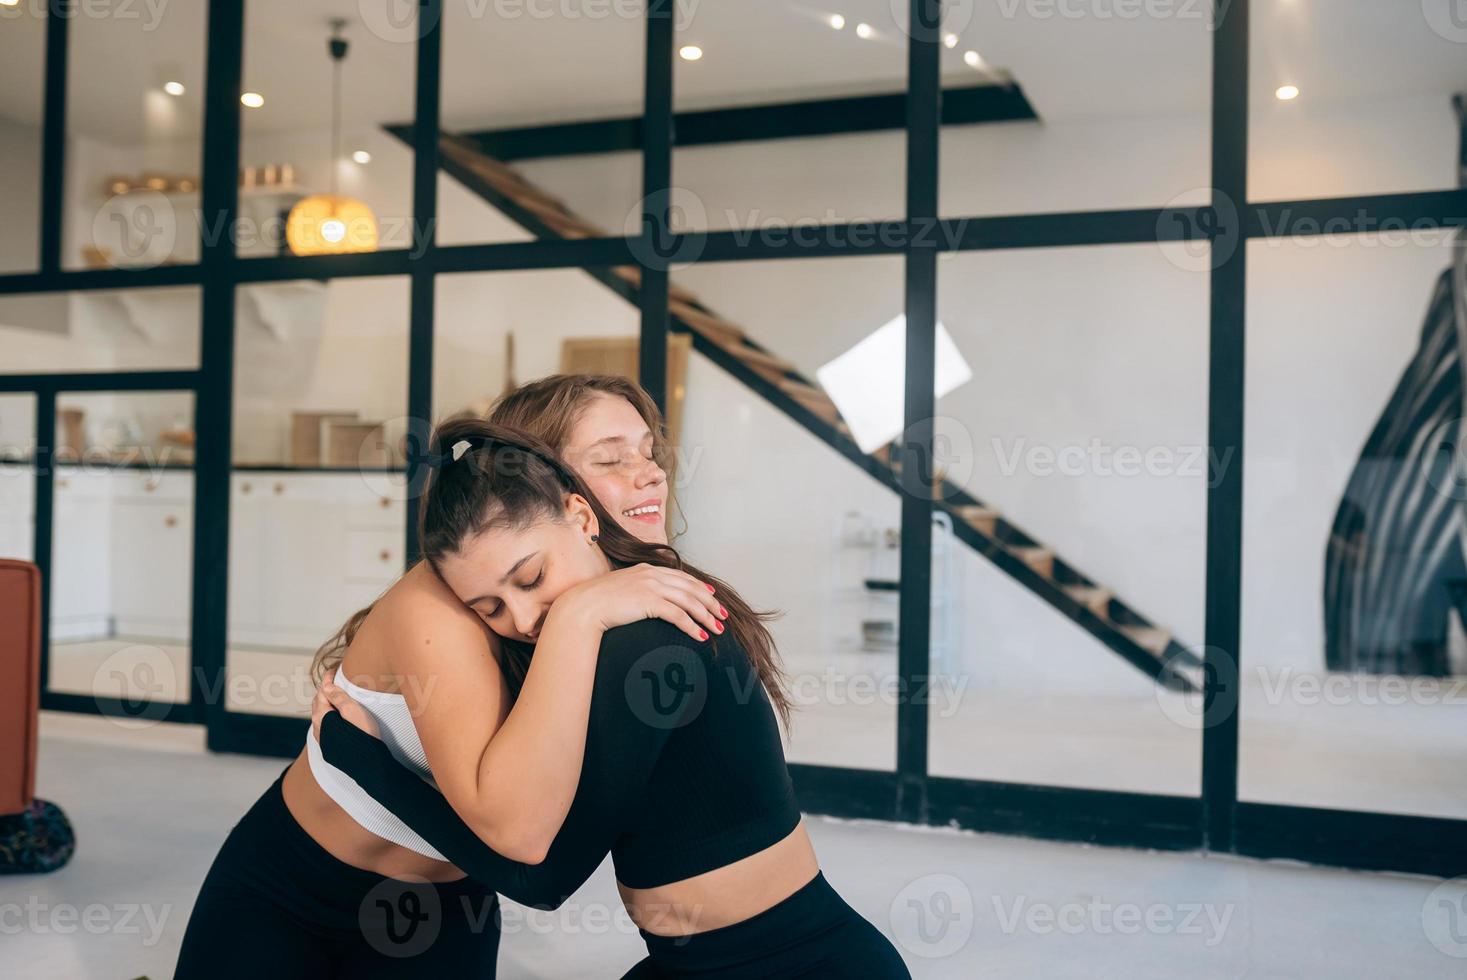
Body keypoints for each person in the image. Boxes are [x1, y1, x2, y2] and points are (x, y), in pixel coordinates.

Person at [317, 416, 913, 978]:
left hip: (796, 964)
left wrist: (366, 763)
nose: (524, 618)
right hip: (691, 963)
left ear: (580, 517)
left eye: (531, 579)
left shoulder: (648, 645)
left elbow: (542, 878)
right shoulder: (590, 645)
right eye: (490, 608)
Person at [174, 375, 721, 978]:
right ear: (548, 482)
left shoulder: (612, 602)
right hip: (291, 889)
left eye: (647, 451)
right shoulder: (441, 603)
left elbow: (549, 854)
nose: (649, 473)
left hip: (447, 908)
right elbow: (515, 828)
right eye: (612, 458)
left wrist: (584, 612)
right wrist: (577, 616)